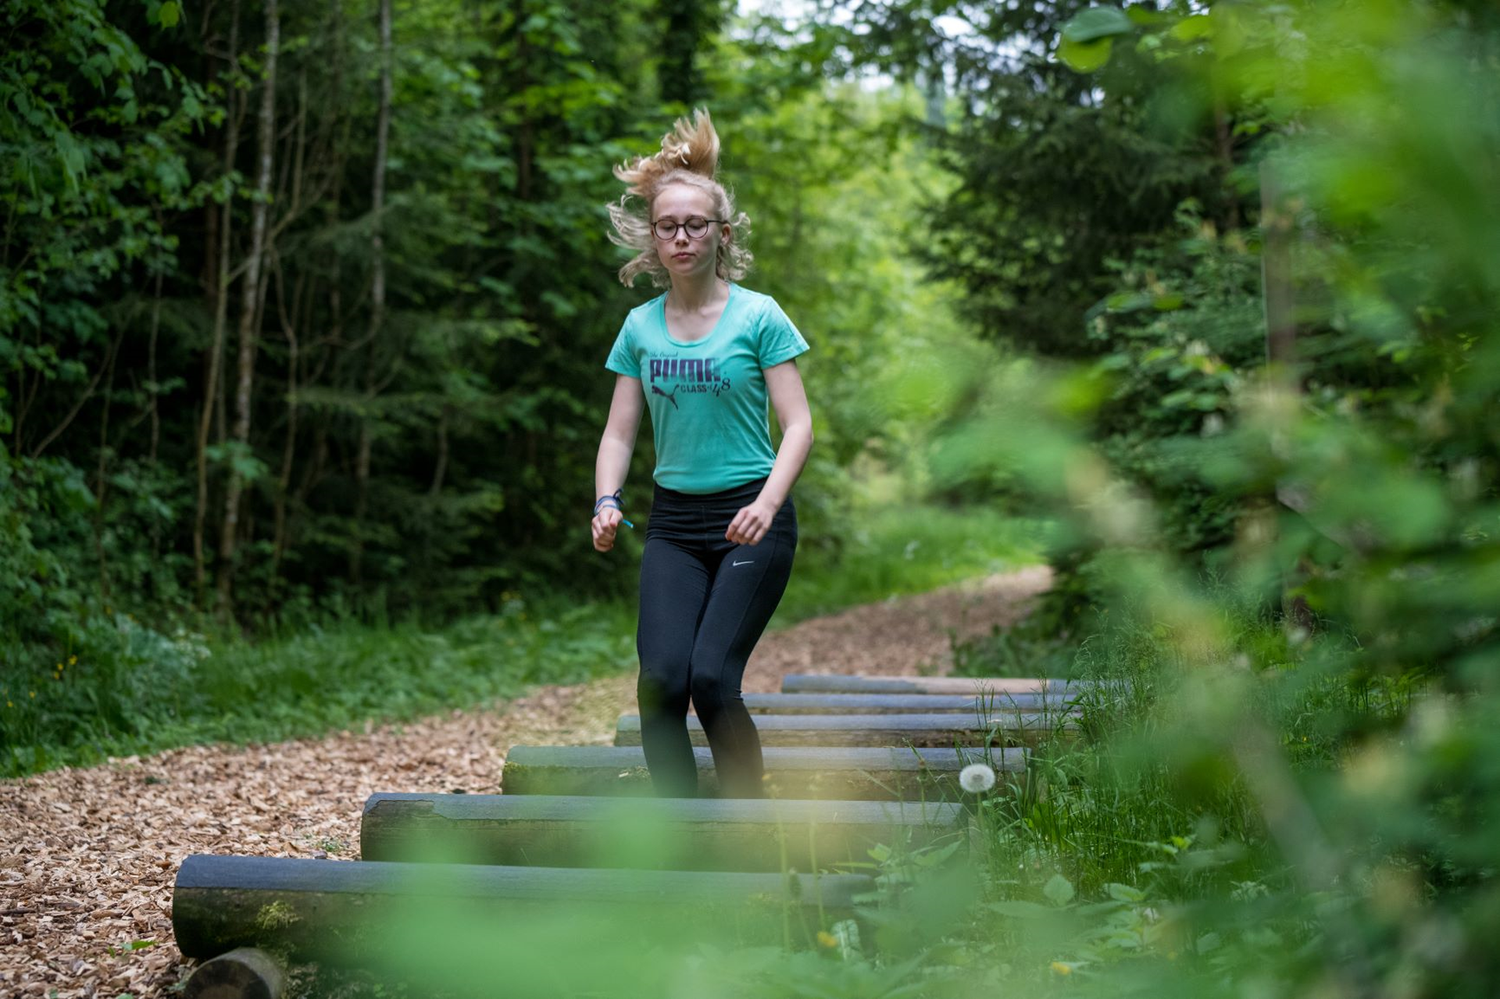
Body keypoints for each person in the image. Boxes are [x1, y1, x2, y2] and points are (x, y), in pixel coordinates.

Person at [591, 109, 813, 799]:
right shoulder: (640, 327)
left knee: (713, 678)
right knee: (661, 680)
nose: (681, 236)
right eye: (668, 226)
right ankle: (682, 835)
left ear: (722, 233)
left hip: (754, 515)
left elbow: (799, 423)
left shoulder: (759, 315)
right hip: (676, 524)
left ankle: (748, 835)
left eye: (695, 224)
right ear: (652, 238)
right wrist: (606, 500)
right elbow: (620, 431)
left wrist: (767, 502)